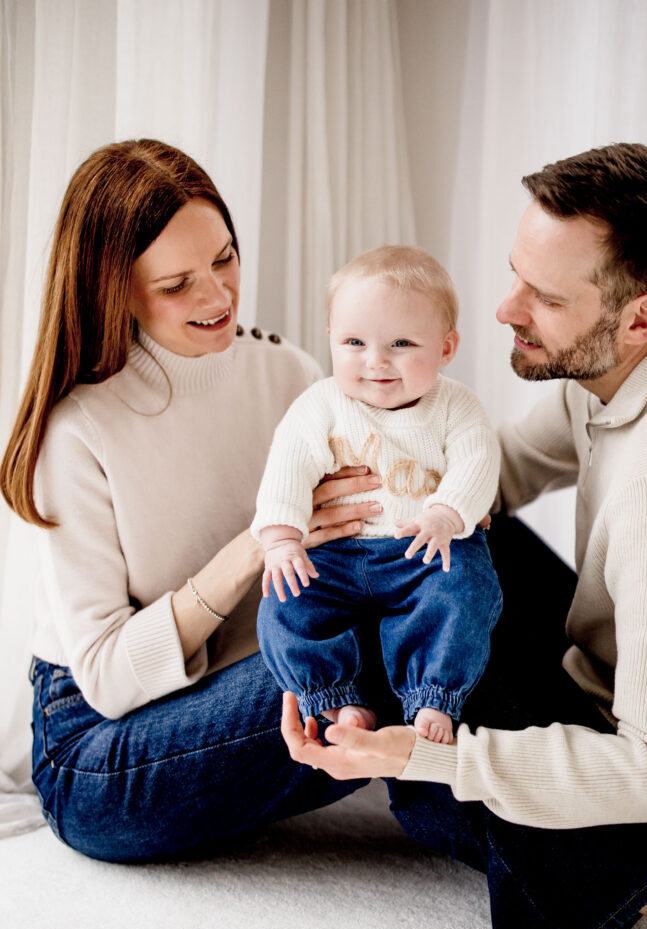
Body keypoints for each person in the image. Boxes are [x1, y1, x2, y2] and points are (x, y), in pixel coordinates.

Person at [281, 143, 647, 929]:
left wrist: (431, 758)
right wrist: (351, 490)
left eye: (543, 296)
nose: (506, 309)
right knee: (432, 569)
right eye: (514, 276)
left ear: (641, 317)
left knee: (419, 725)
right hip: (612, 676)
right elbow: (492, 472)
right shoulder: (612, 369)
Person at [0, 138, 388, 863]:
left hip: (240, 687)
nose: (217, 297)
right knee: (398, 645)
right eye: (176, 284)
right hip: (99, 749)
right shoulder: (78, 428)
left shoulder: (287, 374)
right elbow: (111, 680)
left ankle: (624, 830)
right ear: (112, 288)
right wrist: (254, 545)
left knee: (465, 577)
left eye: (224, 259)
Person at [252, 245, 502, 744]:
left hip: (422, 549)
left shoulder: (455, 406)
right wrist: (282, 539)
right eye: (354, 342)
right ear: (330, 339)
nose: (376, 361)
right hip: (337, 557)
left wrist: (447, 516)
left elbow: (478, 462)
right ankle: (336, 699)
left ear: (446, 348)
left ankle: (433, 696)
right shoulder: (320, 404)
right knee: (283, 601)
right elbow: (288, 468)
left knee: (465, 588)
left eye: (402, 343)